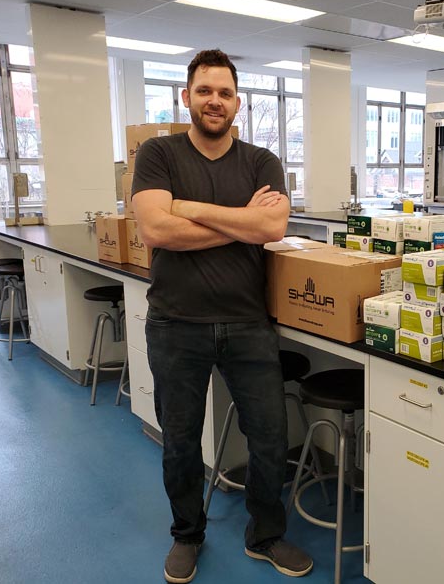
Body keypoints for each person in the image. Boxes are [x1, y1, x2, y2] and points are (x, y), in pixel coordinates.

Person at [131, 49, 312, 583]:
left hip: (247, 323)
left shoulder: (261, 162)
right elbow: (155, 230)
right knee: (181, 440)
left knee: (270, 437)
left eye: (225, 93)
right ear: (186, 96)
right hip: (175, 323)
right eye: (205, 91)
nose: (215, 101)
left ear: (238, 102)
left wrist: (189, 208)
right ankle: (187, 534)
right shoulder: (159, 154)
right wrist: (241, 222)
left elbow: (272, 228)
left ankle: (266, 535)